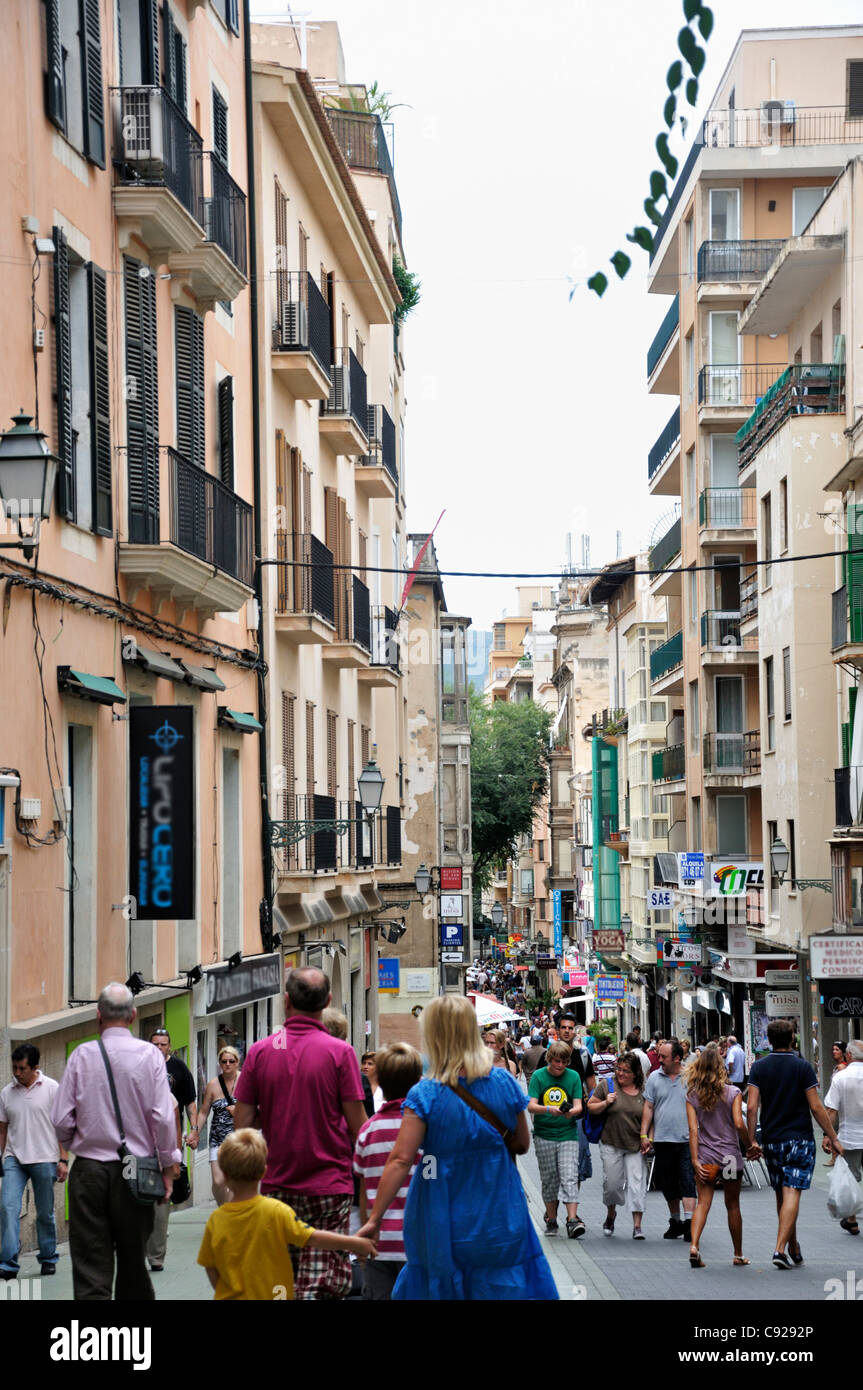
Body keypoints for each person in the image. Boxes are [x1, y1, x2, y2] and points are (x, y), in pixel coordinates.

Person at [357, 994, 557, 1299]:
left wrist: (374, 1220)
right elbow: (522, 1144)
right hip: (499, 1207)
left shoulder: (425, 1093)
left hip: (441, 1208)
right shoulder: (503, 1082)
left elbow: (400, 1160)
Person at [233, 967, 367, 1300]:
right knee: (318, 1283)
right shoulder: (340, 1053)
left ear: (286, 1001)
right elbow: (358, 1126)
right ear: (328, 1001)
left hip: (277, 1185)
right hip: (329, 1186)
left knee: (282, 1280)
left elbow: (243, 1126)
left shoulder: (261, 1052)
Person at [51, 983, 180, 1301]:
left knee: (91, 1267)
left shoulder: (82, 1056)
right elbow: (164, 1118)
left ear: (98, 1017)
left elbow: (60, 1119)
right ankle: (133, 1344)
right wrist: (169, 1167)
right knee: (134, 1264)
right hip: (136, 1173)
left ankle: (96, 1344)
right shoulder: (151, 1056)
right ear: (134, 1016)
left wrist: (76, 1140)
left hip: (90, 1172)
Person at [197, 1129, 375, 1300]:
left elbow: (210, 1266)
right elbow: (312, 1237)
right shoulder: (276, 1211)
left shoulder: (216, 1219)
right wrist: (355, 1243)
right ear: (263, 1172)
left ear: (225, 1175)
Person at [746, 1018, 843, 1268]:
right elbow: (816, 1106)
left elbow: (753, 1106)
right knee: (792, 1192)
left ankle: (793, 1245)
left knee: (782, 1192)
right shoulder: (802, 1067)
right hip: (799, 1138)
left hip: (772, 1139)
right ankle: (780, 1250)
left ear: (768, 1040)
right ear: (793, 1039)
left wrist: (751, 1140)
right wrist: (832, 1136)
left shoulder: (759, 1068)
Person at [353, 1043, 423, 1299]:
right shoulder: (427, 1129)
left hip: (378, 1245)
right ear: (418, 1080)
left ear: (379, 1080)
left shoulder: (368, 1131)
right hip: (419, 1245)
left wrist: (364, 1234)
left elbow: (363, 1194)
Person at [685, 1043, 761, 1268]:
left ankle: (694, 1246)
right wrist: (749, 1145)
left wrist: (694, 1159)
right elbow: (739, 1123)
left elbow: (692, 1130)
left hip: (706, 1157)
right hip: (729, 1156)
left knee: (703, 1203)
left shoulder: (692, 1095)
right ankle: (738, 1254)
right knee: (733, 1205)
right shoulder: (733, 1092)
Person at [0, 1044, 67, 1279]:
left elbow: (61, 1126)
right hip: (14, 1159)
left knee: (45, 1213)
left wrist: (63, 1159)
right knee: (8, 1208)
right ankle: (8, 1263)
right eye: (14, 1068)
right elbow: (2, 1128)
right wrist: (1, 1156)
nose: (17, 1073)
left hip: (44, 1158)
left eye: (22, 1069)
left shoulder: (52, 1089)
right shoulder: (7, 1092)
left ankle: (48, 1257)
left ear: (35, 1067)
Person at [640, 1038, 696, 1241]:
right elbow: (648, 1107)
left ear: (677, 1058)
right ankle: (675, 1221)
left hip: (687, 1139)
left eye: (663, 1056)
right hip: (663, 1139)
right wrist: (644, 1135)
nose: (659, 1059)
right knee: (668, 1183)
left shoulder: (691, 1076)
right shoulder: (655, 1077)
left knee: (688, 1180)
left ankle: (691, 1223)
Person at [588, 1051, 647, 1239]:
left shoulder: (644, 1091)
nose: (620, 1074)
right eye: (619, 1069)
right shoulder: (608, 1085)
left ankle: (637, 1226)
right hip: (611, 1142)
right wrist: (606, 1102)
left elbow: (651, 1116)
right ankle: (611, 1214)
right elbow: (591, 1106)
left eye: (626, 1071)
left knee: (637, 1185)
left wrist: (648, 1138)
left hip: (635, 1144)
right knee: (612, 1185)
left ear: (635, 1074)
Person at [528, 1041, 585, 1238]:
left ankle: (572, 1220)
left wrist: (571, 1113)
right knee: (550, 1179)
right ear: (549, 1060)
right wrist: (547, 1109)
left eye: (564, 1062)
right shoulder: (538, 1076)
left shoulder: (574, 1077)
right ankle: (551, 1219)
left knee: (569, 1175)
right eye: (556, 1061)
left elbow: (579, 1105)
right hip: (544, 1133)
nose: (560, 1066)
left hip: (568, 1133)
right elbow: (531, 1105)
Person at [190, 1045, 242, 1206]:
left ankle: (230, 1215)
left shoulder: (245, 1081)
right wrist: (195, 1132)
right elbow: (204, 1111)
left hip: (239, 1139)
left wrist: (238, 1112)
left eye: (231, 1061)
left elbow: (256, 1106)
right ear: (219, 1063)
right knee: (219, 1181)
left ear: (237, 1063)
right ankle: (223, 1207)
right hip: (217, 1139)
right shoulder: (213, 1084)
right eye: (224, 1061)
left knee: (234, 1180)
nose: (227, 1064)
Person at [824, 1038, 863, 1234]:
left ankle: (852, 1220)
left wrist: (827, 1135)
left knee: (851, 1178)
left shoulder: (840, 1077)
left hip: (850, 1137)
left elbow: (832, 1110)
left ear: (848, 1055)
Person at [149, 1028, 198, 1142]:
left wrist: (194, 1130)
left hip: (172, 1128)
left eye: (163, 1044)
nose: (159, 1047)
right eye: (155, 1044)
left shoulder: (179, 1067)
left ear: (169, 1046)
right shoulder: (142, 1065)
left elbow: (190, 1102)